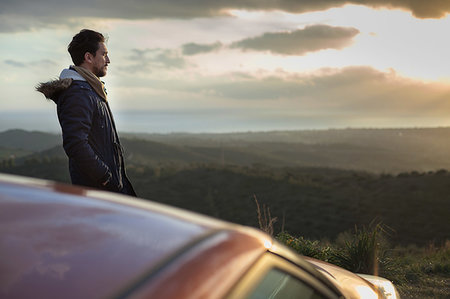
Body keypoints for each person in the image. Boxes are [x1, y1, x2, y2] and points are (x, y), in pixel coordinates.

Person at [36, 29, 136, 196]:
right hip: (99, 190)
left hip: (107, 188)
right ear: (88, 57)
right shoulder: (78, 93)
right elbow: (75, 144)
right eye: (104, 54)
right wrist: (105, 177)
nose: (108, 60)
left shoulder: (91, 89)